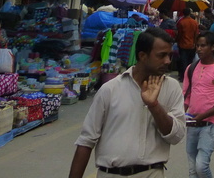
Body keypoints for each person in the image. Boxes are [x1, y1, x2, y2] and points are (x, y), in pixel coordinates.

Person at [69, 27, 186, 178]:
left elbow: (176, 136)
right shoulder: (110, 89)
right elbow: (86, 141)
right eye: (162, 55)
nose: (168, 61)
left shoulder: (172, 88)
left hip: (152, 173)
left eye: (170, 55)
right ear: (143, 56)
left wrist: (154, 105)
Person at [183, 32, 214, 178]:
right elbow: (186, 96)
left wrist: (204, 115)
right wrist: (180, 115)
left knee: (201, 167)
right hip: (192, 124)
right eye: (197, 45)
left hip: (210, 125)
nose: (199, 49)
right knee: (192, 170)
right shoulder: (191, 69)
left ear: (212, 47)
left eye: (203, 45)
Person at [177, 8, 200, 80]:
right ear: (190, 13)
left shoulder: (181, 22)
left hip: (183, 44)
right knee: (190, 61)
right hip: (192, 45)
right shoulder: (194, 22)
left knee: (183, 61)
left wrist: (178, 41)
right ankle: (189, 76)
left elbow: (179, 34)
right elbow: (196, 34)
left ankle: (183, 76)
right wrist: (195, 44)